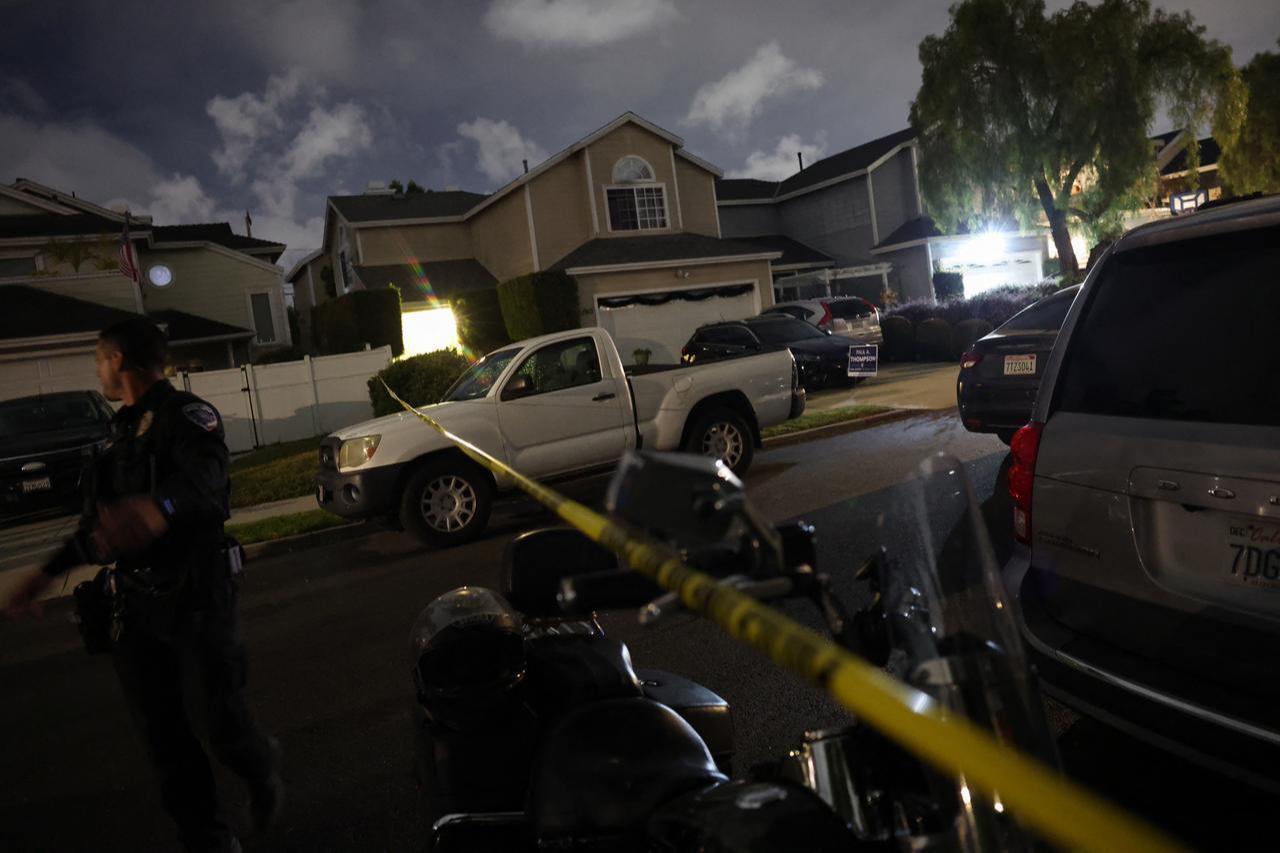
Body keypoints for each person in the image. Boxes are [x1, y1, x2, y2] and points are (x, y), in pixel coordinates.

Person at [3, 319, 282, 853]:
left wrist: (162, 507)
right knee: (165, 741)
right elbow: (101, 531)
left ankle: (262, 768)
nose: (98, 369)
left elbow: (208, 484)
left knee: (219, 726)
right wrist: (41, 577)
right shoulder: (116, 436)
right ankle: (209, 839)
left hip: (196, 598)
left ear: (117, 360)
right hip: (134, 607)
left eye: (98, 359)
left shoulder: (187, 417)